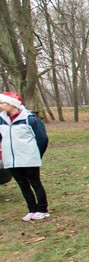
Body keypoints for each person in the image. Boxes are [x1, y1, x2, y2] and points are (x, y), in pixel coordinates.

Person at [0, 92, 50, 221]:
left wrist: (35, 154)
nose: (1, 106)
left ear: (12, 104)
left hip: (29, 159)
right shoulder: (1, 120)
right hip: (11, 160)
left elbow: (42, 139)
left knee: (35, 183)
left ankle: (42, 209)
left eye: (3, 103)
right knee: (23, 185)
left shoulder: (29, 119)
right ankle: (31, 209)